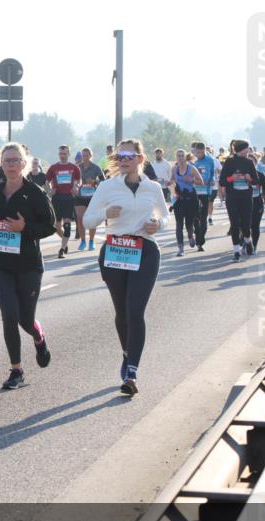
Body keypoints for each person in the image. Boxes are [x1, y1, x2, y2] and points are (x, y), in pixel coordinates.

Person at [81, 138, 168, 396]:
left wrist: (158, 224)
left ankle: (132, 371)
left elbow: (165, 216)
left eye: (130, 156)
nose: (124, 160)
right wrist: (107, 214)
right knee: (121, 311)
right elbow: (87, 221)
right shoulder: (108, 187)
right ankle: (127, 352)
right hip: (116, 250)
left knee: (135, 310)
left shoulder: (153, 188)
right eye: (120, 156)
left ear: (141, 159)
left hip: (145, 251)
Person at [0, 143, 55, 389]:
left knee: (25, 319)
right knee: (9, 315)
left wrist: (25, 228)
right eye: (7, 161)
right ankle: (16, 371)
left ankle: (39, 337)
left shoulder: (35, 194)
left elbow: (49, 226)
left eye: (16, 160)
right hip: (0, 263)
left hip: (28, 264)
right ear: (1, 164)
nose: (11, 165)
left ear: (24, 163)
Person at [218, 139, 259, 262]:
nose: (248, 150)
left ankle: (248, 241)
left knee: (246, 224)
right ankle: (236, 251)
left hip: (246, 197)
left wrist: (249, 178)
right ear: (240, 149)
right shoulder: (229, 162)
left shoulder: (249, 162)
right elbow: (222, 181)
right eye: (246, 148)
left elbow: (256, 181)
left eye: (248, 148)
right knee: (235, 224)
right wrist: (232, 178)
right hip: (232, 197)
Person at [46, 145, 82, 257]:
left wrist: (76, 187)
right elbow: (47, 181)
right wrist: (49, 191)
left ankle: (61, 249)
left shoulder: (74, 168)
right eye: (61, 154)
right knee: (56, 227)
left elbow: (78, 180)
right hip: (57, 198)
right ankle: (65, 242)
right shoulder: (53, 168)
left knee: (67, 226)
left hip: (69, 198)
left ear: (69, 154)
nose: (62, 156)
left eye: (65, 154)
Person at [171, 149, 204, 256]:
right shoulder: (174, 169)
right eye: (178, 155)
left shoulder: (191, 168)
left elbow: (201, 182)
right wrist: (167, 182)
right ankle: (181, 249)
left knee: (189, 224)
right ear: (176, 157)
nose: (180, 158)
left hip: (191, 199)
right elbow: (172, 180)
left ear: (185, 157)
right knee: (179, 225)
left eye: (182, 156)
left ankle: (190, 235)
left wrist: (191, 180)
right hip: (180, 200)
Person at [75, 147, 106, 251]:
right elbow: (73, 180)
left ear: (90, 156)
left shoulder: (96, 167)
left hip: (92, 196)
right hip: (80, 196)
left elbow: (103, 181)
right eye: (83, 156)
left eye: (87, 156)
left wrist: (94, 183)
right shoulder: (77, 167)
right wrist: (77, 185)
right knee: (80, 218)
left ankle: (91, 241)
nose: (85, 158)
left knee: (92, 219)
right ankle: (83, 241)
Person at [191, 142, 217, 246]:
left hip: (205, 192)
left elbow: (212, 174)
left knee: (203, 218)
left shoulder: (210, 160)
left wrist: (212, 180)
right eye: (198, 152)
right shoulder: (194, 161)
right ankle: (198, 236)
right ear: (195, 151)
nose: (200, 154)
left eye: (202, 152)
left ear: (205, 151)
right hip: (195, 193)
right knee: (195, 217)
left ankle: (201, 239)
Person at [250, 153, 265, 253]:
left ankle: (254, 245)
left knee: (255, 226)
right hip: (243, 203)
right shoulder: (240, 175)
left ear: (256, 163)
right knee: (244, 225)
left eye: (252, 162)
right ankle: (245, 242)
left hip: (257, 202)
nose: (250, 164)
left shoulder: (260, 174)